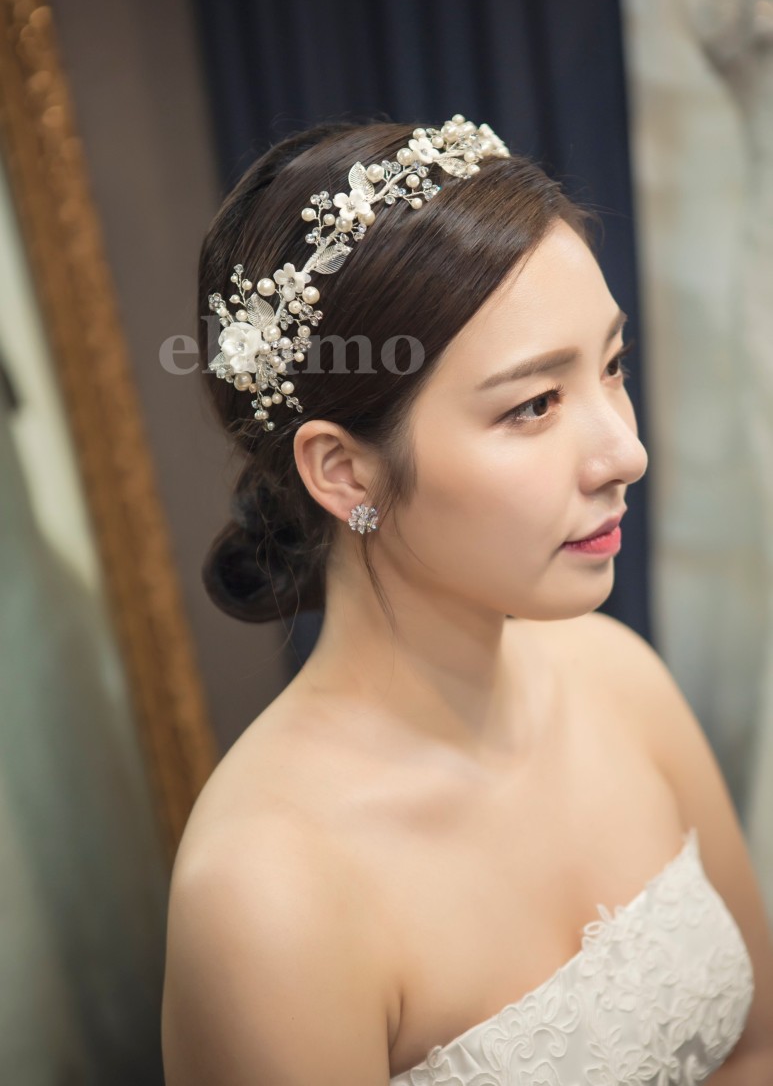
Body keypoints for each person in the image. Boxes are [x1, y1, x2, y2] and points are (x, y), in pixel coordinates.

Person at [161, 116, 772, 1084]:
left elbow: (754, 1043)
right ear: (345, 472)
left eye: (611, 366)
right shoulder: (267, 893)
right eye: (532, 405)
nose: (624, 452)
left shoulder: (617, 676)